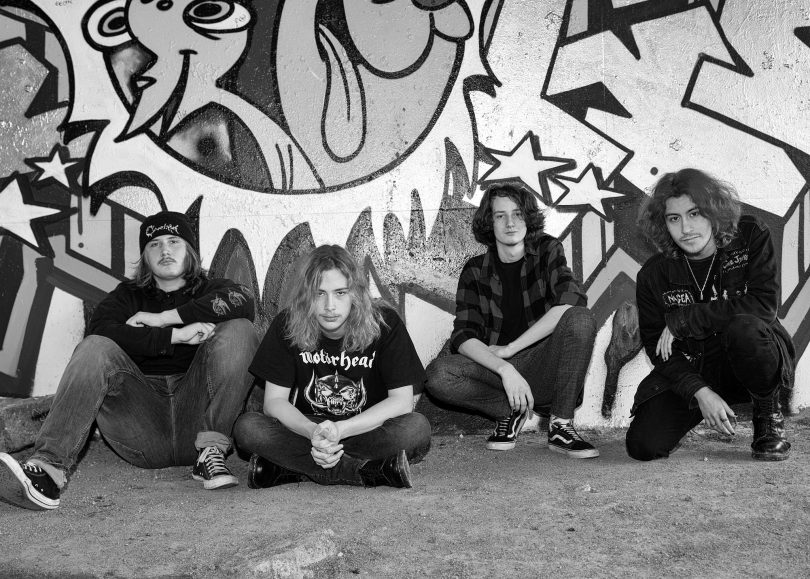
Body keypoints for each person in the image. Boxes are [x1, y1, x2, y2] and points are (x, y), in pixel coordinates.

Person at [0, 211, 258, 511]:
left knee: (241, 330)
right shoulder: (127, 296)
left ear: (189, 250)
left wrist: (164, 319)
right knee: (95, 347)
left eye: (174, 241)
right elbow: (100, 329)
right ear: (144, 257)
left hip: (196, 420)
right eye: (154, 244)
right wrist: (173, 337)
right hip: (140, 425)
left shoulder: (210, 289)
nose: (164, 250)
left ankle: (210, 453)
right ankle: (47, 471)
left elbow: (244, 300)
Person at [626, 168, 795, 461]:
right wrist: (699, 392)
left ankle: (767, 417)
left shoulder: (750, 235)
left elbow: (763, 306)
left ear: (714, 212)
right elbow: (658, 349)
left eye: (695, 214)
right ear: (663, 224)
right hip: (697, 365)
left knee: (745, 327)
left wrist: (686, 318)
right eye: (674, 218)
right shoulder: (653, 275)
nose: (686, 228)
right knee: (643, 445)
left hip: (749, 356)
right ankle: (710, 401)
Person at [234, 245, 431, 489]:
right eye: (319, 294)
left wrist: (341, 429)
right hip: (308, 427)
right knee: (248, 428)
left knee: (416, 429)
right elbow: (274, 402)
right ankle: (367, 471)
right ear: (307, 295)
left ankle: (287, 468)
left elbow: (401, 402)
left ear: (355, 293)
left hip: (365, 426)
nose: (329, 306)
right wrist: (312, 432)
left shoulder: (384, 323)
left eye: (340, 293)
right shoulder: (288, 324)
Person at [425, 182, 599, 458]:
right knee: (438, 375)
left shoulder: (547, 250)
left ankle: (560, 425)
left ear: (528, 218)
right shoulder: (475, 270)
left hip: (544, 364)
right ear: (489, 223)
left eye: (517, 214)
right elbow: (462, 336)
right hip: (498, 374)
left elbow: (571, 300)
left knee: (580, 318)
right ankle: (510, 411)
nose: (510, 223)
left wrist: (510, 349)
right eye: (500, 215)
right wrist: (505, 368)